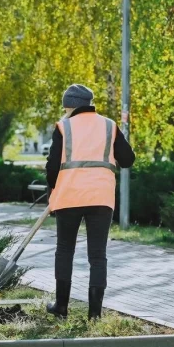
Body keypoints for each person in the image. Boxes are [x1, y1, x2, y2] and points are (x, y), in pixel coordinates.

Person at [45, 84, 135, 320]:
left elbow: (52, 166)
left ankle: (61, 307)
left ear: (71, 106)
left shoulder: (63, 127)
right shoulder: (109, 126)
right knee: (97, 255)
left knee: (65, 250)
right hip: (101, 198)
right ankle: (95, 314)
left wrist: (51, 190)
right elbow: (128, 159)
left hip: (69, 196)